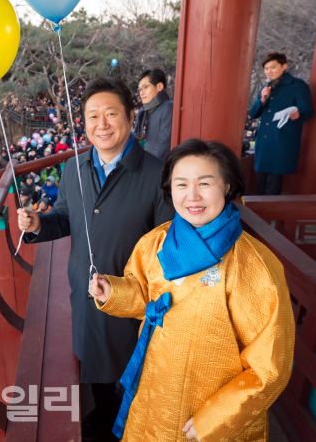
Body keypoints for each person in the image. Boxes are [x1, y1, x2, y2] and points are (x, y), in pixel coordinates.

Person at [90, 139, 295, 441]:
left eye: (205, 183)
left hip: (206, 415)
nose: (192, 196)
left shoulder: (255, 267)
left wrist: (215, 417)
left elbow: (270, 368)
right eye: (181, 184)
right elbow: (147, 297)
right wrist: (114, 292)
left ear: (227, 186)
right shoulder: (155, 242)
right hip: (155, 391)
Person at [17, 77, 174, 440]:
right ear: (83, 123)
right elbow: (64, 218)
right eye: (92, 116)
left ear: (131, 117)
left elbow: (164, 246)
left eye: (111, 114)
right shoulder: (74, 168)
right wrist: (40, 223)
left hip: (135, 299)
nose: (101, 124)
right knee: (97, 368)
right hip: (86, 293)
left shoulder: (156, 175)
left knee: (134, 372)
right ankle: (105, 416)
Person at [249, 52, 314, 195]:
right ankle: (260, 214)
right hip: (264, 140)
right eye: (266, 68)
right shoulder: (266, 87)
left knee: (274, 182)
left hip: (282, 138)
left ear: (284, 66)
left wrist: (299, 114)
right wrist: (262, 99)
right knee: (260, 180)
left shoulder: (298, 85)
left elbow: (308, 111)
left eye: (272, 67)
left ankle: (269, 215)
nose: (269, 71)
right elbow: (253, 114)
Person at [135, 68, 173, 161]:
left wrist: (149, 167)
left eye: (145, 87)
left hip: (157, 167)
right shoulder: (150, 110)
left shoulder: (168, 107)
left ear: (159, 86)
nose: (141, 93)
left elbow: (164, 146)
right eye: (140, 89)